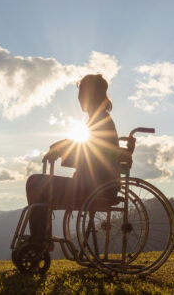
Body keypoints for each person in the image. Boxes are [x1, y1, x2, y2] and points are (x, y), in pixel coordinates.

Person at [26, 74, 121, 244]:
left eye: (81, 93)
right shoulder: (99, 120)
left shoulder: (101, 122)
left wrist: (62, 148)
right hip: (93, 184)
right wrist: (63, 147)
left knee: (35, 182)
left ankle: (39, 239)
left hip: (93, 187)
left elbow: (91, 151)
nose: (78, 98)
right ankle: (40, 239)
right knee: (36, 182)